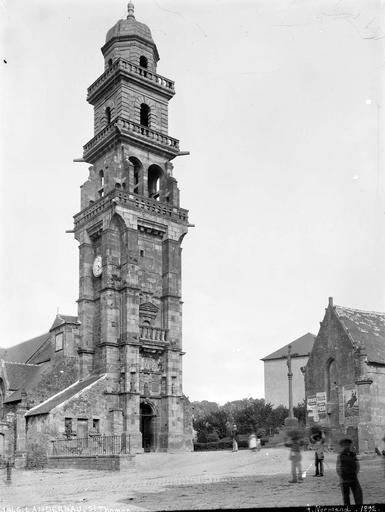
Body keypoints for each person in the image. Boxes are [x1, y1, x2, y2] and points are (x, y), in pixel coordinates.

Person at [336, 438, 363, 505]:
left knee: (358, 495)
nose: (347, 446)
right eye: (345, 445)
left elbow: (357, 465)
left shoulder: (353, 455)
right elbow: (338, 468)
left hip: (353, 478)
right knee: (346, 498)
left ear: (350, 445)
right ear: (342, 446)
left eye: (348, 445)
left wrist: (355, 474)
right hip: (344, 480)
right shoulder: (340, 456)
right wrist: (341, 477)